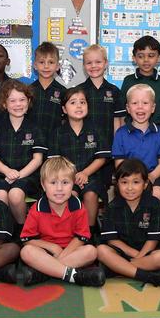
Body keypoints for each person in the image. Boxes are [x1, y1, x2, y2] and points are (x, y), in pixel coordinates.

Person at [19, 157, 106, 287]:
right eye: (53, 183)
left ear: (73, 184)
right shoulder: (36, 209)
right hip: (46, 253)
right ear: (43, 185)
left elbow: (81, 237)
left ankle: (44, 272)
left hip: (72, 251)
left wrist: (62, 255)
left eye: (65, 182)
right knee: (26, 252)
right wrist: (52, 247)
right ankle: (75, 276)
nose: (59, 188)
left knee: (91, 251)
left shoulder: (78, 206)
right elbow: (27, 239)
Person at [97, 159, 160, 287]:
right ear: (117, 184)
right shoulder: (112, 207)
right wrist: (135, 255)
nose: (130, 188)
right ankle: (148, 276)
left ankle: (118, 269)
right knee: (101, 250)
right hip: (122, 253)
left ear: (145, 184)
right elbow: (112, 240)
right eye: (124, 182)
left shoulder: (155, 204)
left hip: (147, 253)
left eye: (136, 182)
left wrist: (140, 256)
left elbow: (154, 238)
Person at [0, 79, 47, 231]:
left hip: (27, 176)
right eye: (13, 100)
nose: (18, 104)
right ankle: (5, 230)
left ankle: (22, 229)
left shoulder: (35, 128)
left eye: (22, 99)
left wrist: (19, 174)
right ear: (5, 104)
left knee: (16, 195)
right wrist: (7, 172)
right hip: (2, 174)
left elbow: (38, 159)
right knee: (0, 196)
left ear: (28, 101)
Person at [48, 87, 110, 240]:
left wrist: (85, 173)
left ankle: (89, 233)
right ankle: (68, 232)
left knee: (90, 194)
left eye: (82, 102)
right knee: (70, 195)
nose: (79, 106)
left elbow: (102, 157)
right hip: (66, 177)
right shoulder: (57, 132)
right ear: (64, 108)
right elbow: (55, 162)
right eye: (73, 102)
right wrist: (72, 176)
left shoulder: (96, 129)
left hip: (92, 176)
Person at [113, 84, 160, 202]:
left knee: (157, 192)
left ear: (153, 107)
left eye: (145, 103)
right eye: (134, 103)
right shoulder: (120, 133)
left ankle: (154, 220)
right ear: (128, 108)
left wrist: (150, 177)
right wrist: (134, 180)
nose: (140, 107)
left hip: (153, 175)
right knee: (127, 192)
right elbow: (119, 163)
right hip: (128, 178)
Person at [78, 44, 126, 141]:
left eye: (98, 62)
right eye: (89, 63)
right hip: (84, 144)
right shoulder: (78, 91)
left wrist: (117, 145)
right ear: (83, 65)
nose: (93, 66)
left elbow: (119, 121)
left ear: (106, 63)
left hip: (109, 144)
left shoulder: (115, 91)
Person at [119, 36, 160, 126]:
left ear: (158, 58)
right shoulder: (128, 80)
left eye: (151, 56)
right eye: (141, 56)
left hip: (157, 133)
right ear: (134, 58)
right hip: (131, 132)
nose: (146, 60)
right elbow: (122, 111)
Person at [30, 42, 67, 137]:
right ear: (35, 65)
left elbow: (66, 120)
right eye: (42, 62)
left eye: (51, 62)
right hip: (31, 143)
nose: (46, 66)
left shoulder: (64, 92)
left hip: (55, 143)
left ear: (58, 66)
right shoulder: (28, 91)